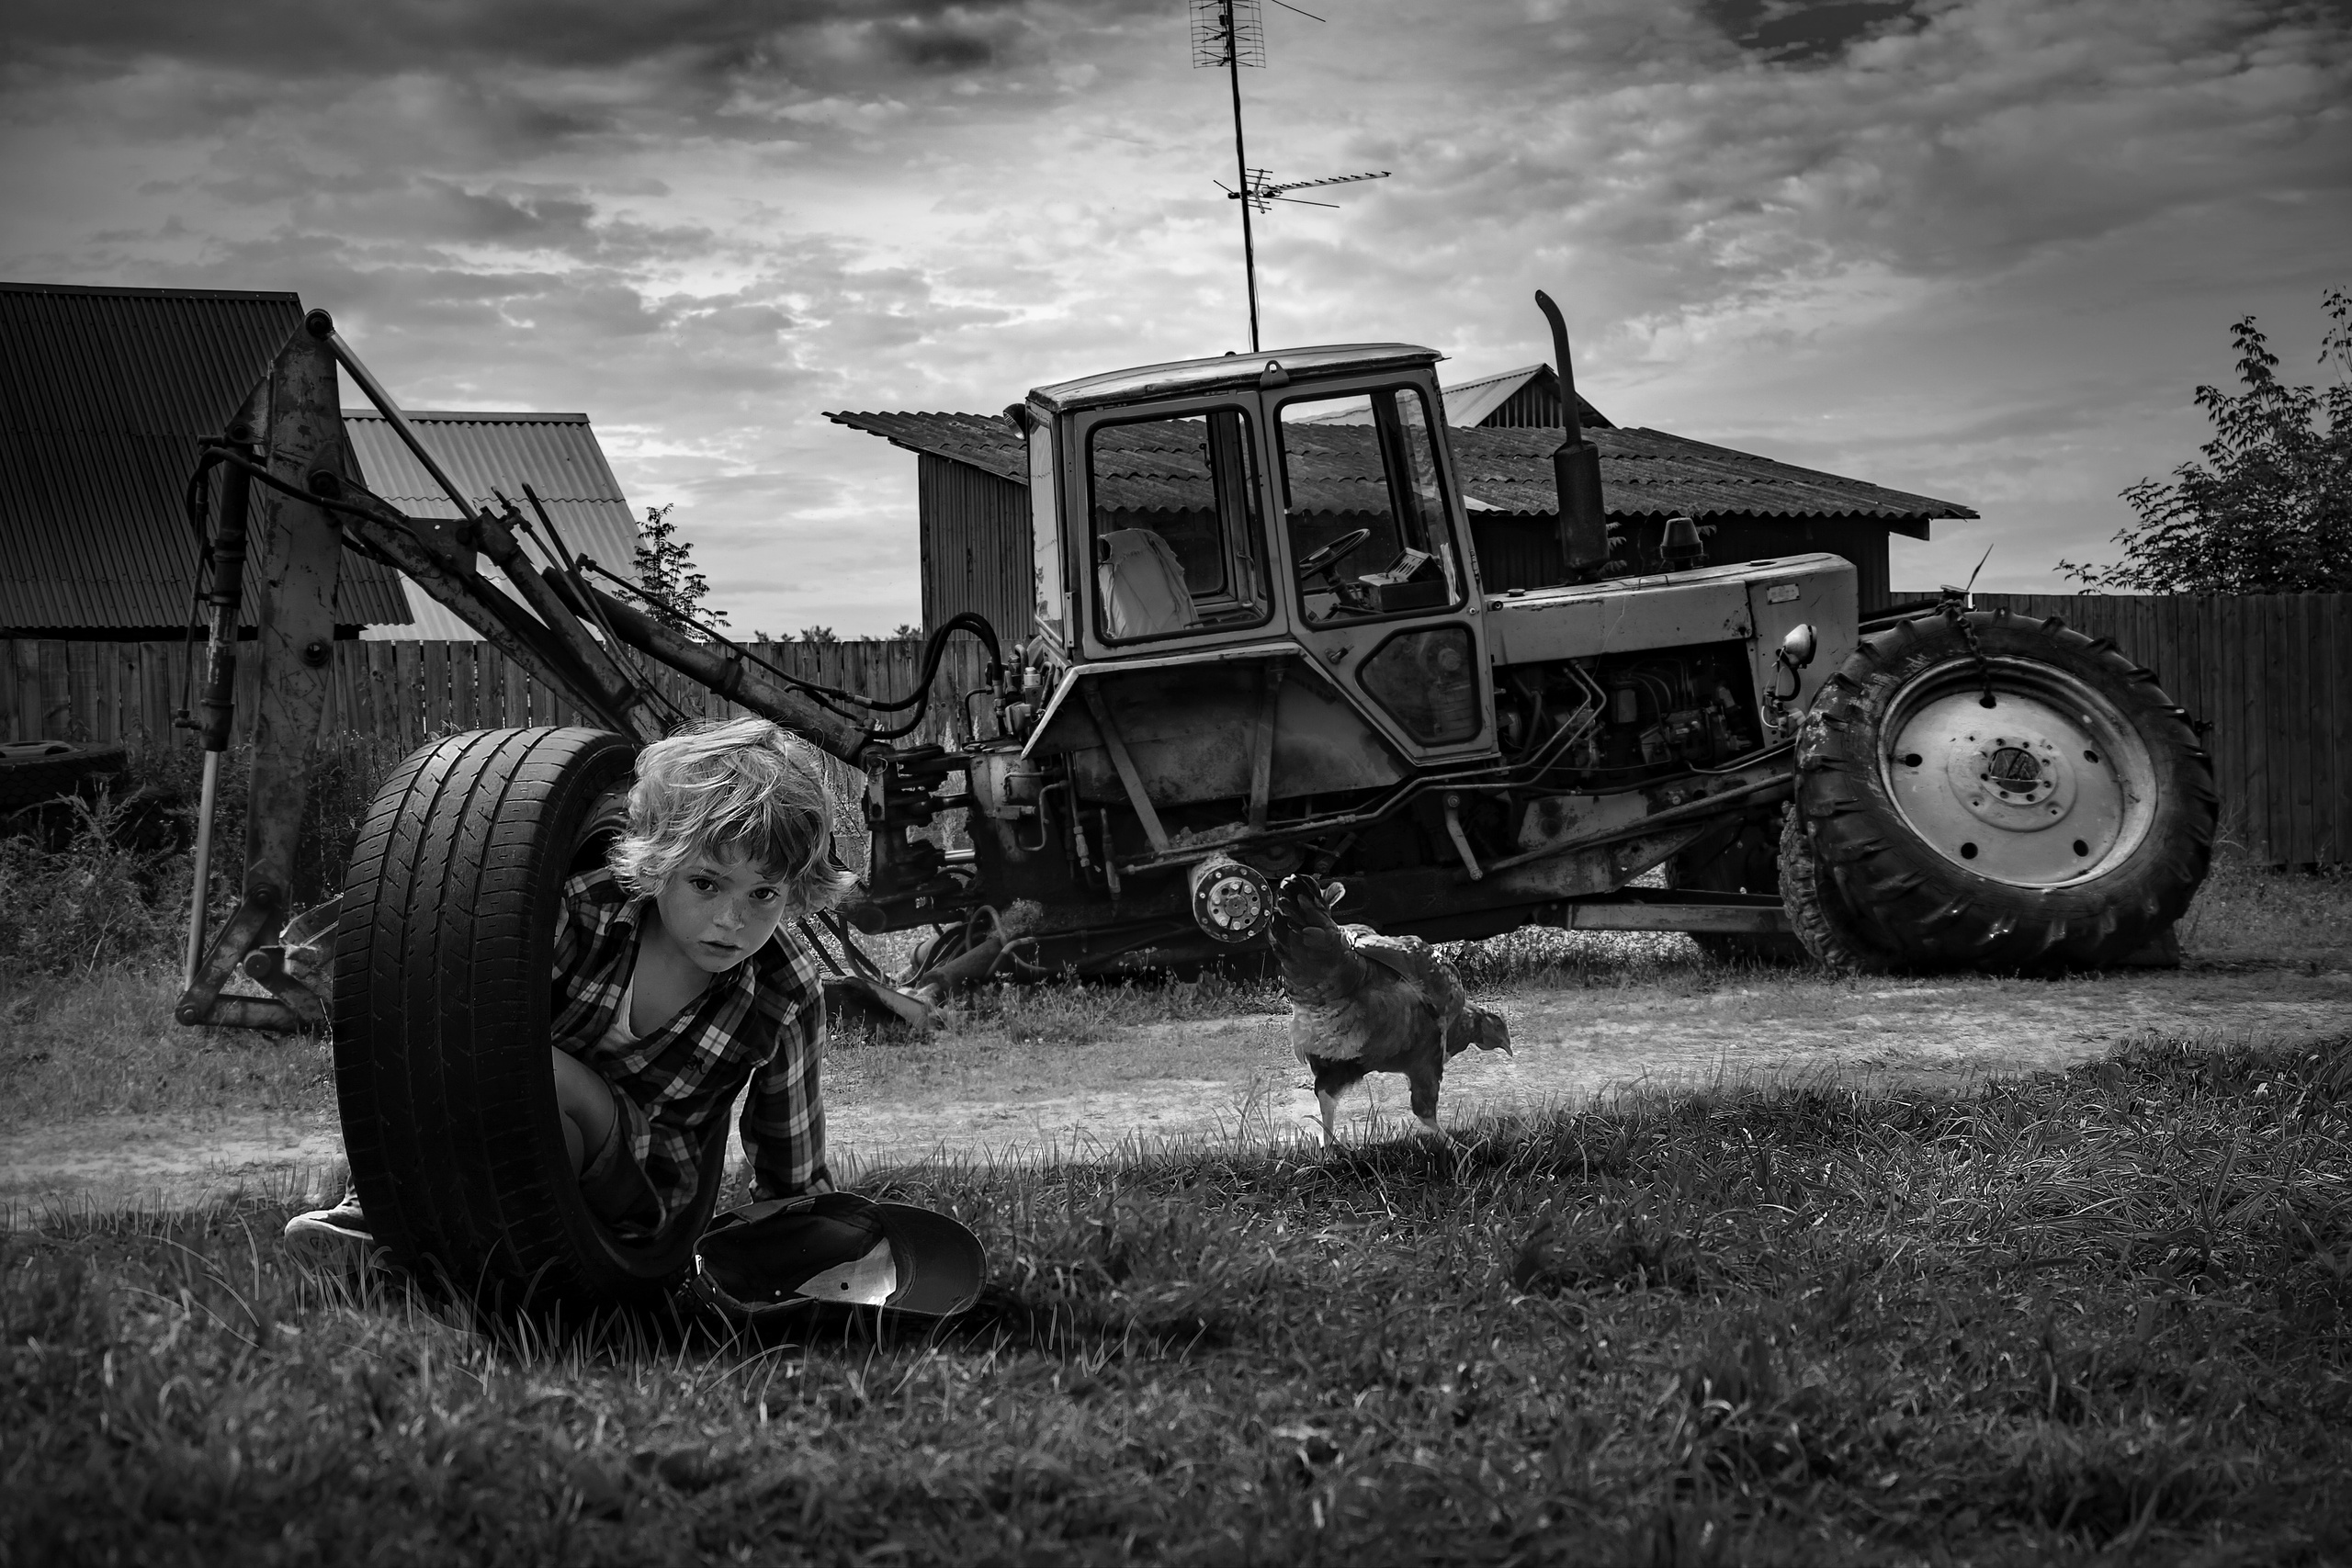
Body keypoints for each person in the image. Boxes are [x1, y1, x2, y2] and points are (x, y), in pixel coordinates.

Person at [284, 716, 854, 1254]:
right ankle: (394, 1227)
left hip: (640, 1194)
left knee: (520, 1068)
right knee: (464, 1051)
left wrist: (809, 1246)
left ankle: (398, 1230)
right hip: (514, 1138)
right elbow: (442, 1016)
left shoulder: (785, 987)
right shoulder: (582, 911)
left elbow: (792, 1163)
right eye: (706, 883)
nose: (733, 919)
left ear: (795, 890)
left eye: (763, 894)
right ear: (658, 863)